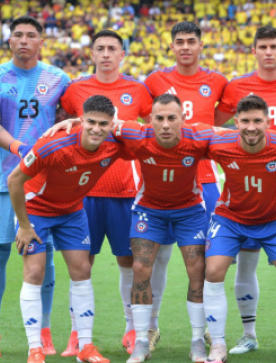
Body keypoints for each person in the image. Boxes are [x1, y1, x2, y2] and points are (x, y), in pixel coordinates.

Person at [7, 95, 133, 363]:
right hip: (36, 209)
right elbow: (14, 180)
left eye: (103, 124)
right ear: (82, 120)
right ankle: (35, 349)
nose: (96, 129)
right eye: (91, 122)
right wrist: (24, 226)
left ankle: (85, 347)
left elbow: (146, 137)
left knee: (82, 270)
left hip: (72, 211)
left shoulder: (114, 143)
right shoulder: (53, 144)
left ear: (112, 124)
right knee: (35, 272)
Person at [214, 26, 276, 355]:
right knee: (246, 261)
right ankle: (248, 334)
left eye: (274, 46)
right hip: (247, 184)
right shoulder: (237, 86)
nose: (268, 52)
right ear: (254, 51)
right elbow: (218, 121)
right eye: (263, 47)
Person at [56, 30, 153, 356]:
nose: (107, 53)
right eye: (101, 48)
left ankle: (131, 329)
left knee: (130, 262)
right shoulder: (75, 90)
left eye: (113, 48)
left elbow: (150, 131)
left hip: (125, 191)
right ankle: (77, 334)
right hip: (82, 193)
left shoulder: (137, 90)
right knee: (81, 264)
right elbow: (64, 125)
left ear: (122, 54)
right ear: (92, 53)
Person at [0, 15, 70, 357]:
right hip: (2, 181)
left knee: (44, 257)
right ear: (10, 40)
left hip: (45, 185)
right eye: (18, 35)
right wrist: (20, 148)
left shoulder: (58, 78)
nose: (24, 40)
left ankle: (44, 330)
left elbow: (67, 124)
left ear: (41, 41)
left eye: (31, 35)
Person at [203, 94, 276, 363]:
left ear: (268, 122)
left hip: (273, 220)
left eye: (257, 121)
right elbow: (188, 135)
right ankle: (218, 345)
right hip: (230, 218)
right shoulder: (220, 143)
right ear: (236, 121)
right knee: (213, 270)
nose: (251, 127)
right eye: (246, 121)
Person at [143, 21, 228, 350]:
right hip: (164, 179)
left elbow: (220, 122)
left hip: (205, 181)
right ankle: (151, 328)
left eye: (192, 41)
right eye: (179, 41)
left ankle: (206, 328)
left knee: (205, 260)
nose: (186, 47)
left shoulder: (217, 81)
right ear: (172, 46)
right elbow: (145, 119)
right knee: (157, 257)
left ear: (201, 45)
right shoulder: (154, 80)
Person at [112, 94, 214, 363]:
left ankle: (197, 341)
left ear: (183, 119)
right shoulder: (136, 134)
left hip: (190, 210)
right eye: (159, 118)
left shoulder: (199, 136)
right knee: (140, 268)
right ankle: (141, 341)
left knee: (197, 269)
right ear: (150, 120)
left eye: (172, 118)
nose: (166, 124)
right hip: (150, 209)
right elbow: (101, 123)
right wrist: (69, 122)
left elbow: (234, 134)